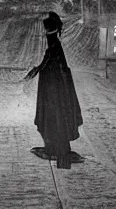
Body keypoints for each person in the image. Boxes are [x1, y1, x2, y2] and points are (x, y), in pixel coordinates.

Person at [25, 11, 83, 169]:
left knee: (55, 118)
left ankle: (59, 152)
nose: (44, 34)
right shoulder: (54, 45)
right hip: (54, 89)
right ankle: (56, 149)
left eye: (46, 30)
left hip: (54, 91)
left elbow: (49, 61)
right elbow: (48, 62)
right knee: (55, 118)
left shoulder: (54, 45)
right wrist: (37, 70)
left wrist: (37, 70)